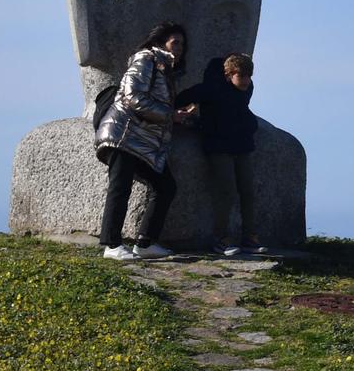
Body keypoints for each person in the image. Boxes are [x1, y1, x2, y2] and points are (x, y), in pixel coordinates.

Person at [96, 21, 194, 260]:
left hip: (143, 141)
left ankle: (146, 242)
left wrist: (176, 116)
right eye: (175, 42)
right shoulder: (146, 58)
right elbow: (133, 96)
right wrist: (170, 114)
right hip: (124, 133)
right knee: (120, 188)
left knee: (165, 187)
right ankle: (111, 244)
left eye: (183, 44)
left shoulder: (165, 69)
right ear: (161, 42)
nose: (180, 48)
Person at [176, 52, 262, 256]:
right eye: (242, 76)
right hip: (218, 146)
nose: (247, 81)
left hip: (242, 144)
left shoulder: (246, 88)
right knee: (227, 191)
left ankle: (250, 237)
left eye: (250, 76)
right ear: (229, 74)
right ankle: (221, 239)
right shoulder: (210, 89)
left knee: (248, 191)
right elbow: (182, 98)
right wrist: (190, 115)